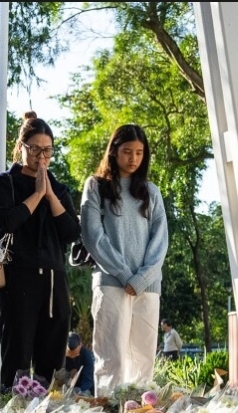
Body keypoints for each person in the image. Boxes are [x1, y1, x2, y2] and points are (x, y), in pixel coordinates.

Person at [0, 112, 81, 388]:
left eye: (47, 150)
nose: (41, 156)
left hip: (53, 280)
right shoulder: (6, 182)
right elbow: (6, 222)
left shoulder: (58, 188)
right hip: (18, 278)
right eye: (35, 149)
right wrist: (37, 194)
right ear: (21, 146)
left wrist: (49, 194)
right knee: (16, 358)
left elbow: (72, 233)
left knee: (51, 360)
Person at [80, 124, 169, 395]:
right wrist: (123, 274)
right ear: (114, 151)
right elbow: (93, 236)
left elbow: (160, 238)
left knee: (143, 360)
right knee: (112, 358)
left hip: (147, 286)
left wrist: (141, 278)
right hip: (111, 283)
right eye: (127, 151)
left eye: (139, 153)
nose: (133, 158)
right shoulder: (96, 187)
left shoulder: (150, 192)